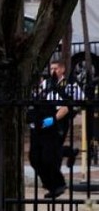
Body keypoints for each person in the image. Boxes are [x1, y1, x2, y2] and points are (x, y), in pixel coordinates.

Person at [28, 59, 83, 199]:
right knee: (44, 153)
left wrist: (57, 118)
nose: (53, 71)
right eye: (51, 68)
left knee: (51, 152)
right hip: (46, 118)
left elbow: (78, 102)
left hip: (60, 120)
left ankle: (56, 184)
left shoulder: (70, 85)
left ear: (62, 70)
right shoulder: (46, 84)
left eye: (56, 68)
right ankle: (69, 154)